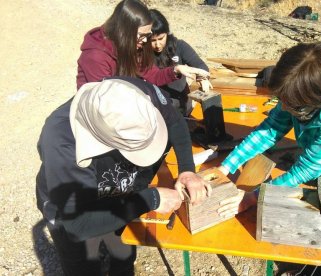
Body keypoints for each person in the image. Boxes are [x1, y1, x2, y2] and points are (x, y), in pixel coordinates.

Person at [217, 42, 321, 276]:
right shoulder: (299, 93)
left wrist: (253, 197)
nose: (284, 107)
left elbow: (303, 171)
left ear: (317, 98)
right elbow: (270, 129)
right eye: (282, 99)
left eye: (291, 104)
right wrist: (227, 166)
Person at [36, 77, 212, 275]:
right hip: (76, 208)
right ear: (101, 142)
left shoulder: (132, 93)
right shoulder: (62, 143)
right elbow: (77, 225)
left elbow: (175, 121)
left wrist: (187, 170)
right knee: (83, 265)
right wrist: (151, 199)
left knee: (123, 251)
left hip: (121, 194)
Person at [76, 0, 209, 90]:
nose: (145, 41)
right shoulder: (96, 55)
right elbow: (104, 100)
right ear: (124, 31)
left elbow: (153, 75)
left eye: (147, 35)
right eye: (142, 36)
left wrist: (176, 70)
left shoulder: (133, 47)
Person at [149, 9, 213, 115]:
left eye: (161, 38)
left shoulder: (179, 46)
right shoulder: (142, 52)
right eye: (152, 40)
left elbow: (200, 66)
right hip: (154, 106)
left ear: (167, 34)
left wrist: (202, 78)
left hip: (180, 103)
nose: (157, 45)